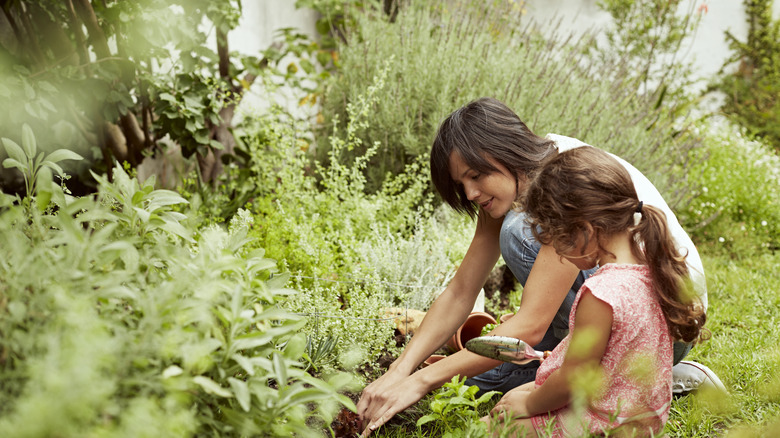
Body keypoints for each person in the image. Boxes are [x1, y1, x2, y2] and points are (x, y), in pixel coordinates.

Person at [357, 97, 718, 436]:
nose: (469, 193)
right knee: (478, 384)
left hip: (660, 331)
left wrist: (421, 380)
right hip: (637, 317)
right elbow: (461, 290)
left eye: (476, 175)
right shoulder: (515, 179)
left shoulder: (563, 183)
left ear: (505, 154)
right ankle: (618, 375)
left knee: (517, 233)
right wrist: (399, 371)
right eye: (460, 183)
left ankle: (650, 376)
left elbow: (529, 327)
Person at [482, 145, 708, 436]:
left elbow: (573, 379)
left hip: (603, 422)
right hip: (640, 417)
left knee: (487, 427)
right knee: (520, 394)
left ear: (585, 230)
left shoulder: (601, 294)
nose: (560, 256)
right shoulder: (652, 265)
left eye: (559, 241)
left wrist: (529, 406)